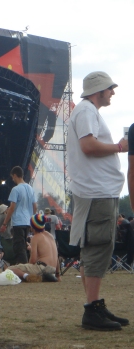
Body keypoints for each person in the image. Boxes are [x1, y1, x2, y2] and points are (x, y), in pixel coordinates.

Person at [68, 72, 128, 331]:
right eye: (109, 88)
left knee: (94, 247)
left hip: (94, 191)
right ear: (98, 90)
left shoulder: (86, 111)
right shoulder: (86, 111)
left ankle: (94, 306)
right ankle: (92, 310)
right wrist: (119, 147)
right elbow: (88, 146)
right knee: (98, 246)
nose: (112, 92)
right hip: (96, 192)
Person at [0, 166, 37, 264]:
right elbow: (35, 206)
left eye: (12, 177)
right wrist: (32, 220)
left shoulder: (15, 189)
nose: (12, 179)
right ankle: (25, 266)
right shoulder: (30, 188)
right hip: (27, 222)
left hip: (18, 222)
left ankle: (24, 269)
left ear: (15, 175)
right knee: (24, 246)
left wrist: (4, 224)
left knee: (19, 247)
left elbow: (12, 208)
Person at [7, 214, 60, 282]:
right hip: (53, 269)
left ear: (33, 226)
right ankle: (44, 277)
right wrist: (58, 275)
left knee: (10, 269)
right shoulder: (50, 236)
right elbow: (56, 257)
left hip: (42, 267)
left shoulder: (35, 237)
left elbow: (33, 260)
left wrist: (28, 267)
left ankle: (28, 276)